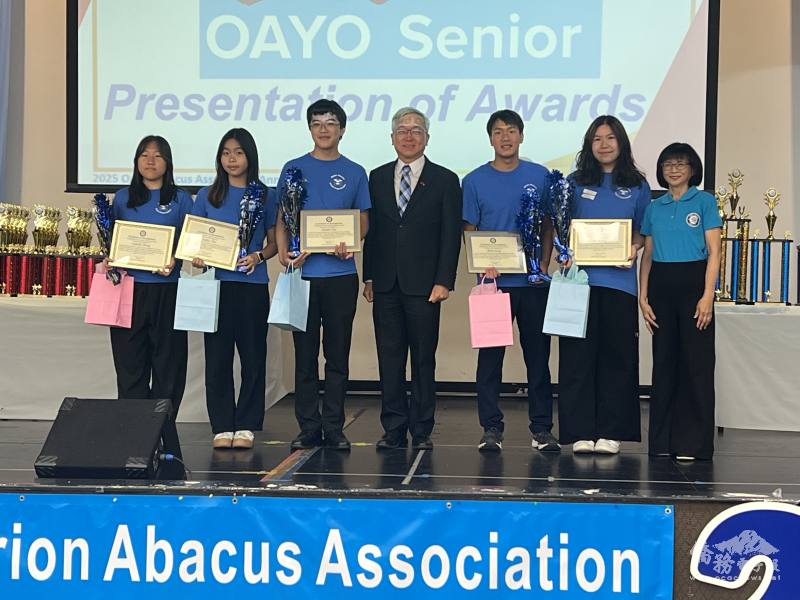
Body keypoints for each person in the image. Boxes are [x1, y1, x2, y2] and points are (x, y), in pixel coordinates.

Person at [362, 107, 462, 451]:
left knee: (422, 359)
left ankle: (421, 429)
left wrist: (444, 280)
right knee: (389, 358)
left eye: (416, 130)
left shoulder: (447, 180)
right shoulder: (375, 177)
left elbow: (450, 235)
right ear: (392, 139)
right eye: (402, 130)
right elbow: (372, 233)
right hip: (386, 283)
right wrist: (369, 276)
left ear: (427, 138)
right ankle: (393, 427)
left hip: (426, 286)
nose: (408, 136)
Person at [462, 109, 558, 453]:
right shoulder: (473, 180)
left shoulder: (540, 175)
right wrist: (480, 265)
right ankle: (491, 428)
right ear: (490, 139)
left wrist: (542, 265)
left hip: (533, 285)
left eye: (512, 131)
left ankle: (542, 429)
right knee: (490, 361)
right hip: (493, 285)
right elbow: (470, 230)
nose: (505, 137)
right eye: (499, 132)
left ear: (521, 136)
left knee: (538, 359)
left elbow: (549, 225)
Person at [276, 99, 370, 451]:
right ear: (310, 129)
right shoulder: (293, 168)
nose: (324, 129)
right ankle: (307, 427)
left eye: (331, 123)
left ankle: (334, 426)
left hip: (341, 274)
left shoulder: (355, 171)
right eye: (317, 123)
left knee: (337, 355)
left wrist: (351, 241)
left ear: (342, 129)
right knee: (304, 356)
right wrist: (284, 252)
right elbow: (283, 218)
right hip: (301, 277)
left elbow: (362, 221)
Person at [558, 115, 651, 455]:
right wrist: (564, 252)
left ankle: (611, 432)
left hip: (619, 285)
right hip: (577, 284)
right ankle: (580, 431)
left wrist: (634, 246)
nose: (604, 144)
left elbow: (643, 230)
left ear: (621, 142)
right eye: (597, 139)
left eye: (610, 137)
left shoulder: (638, 185)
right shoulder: (573, 182)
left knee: (617, 358)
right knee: (576, 359)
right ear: (589, 144)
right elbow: (561, 226)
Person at [191, 128, 277, 450]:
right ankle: (222, 424)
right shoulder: (207, 195)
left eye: (238, 152)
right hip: (216, 287)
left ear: (249, 156)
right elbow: (195, 242)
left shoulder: (266, 195)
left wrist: (258, 256)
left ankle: (246, 424)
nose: (232, 159)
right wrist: (196, 257)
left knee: (254, 357)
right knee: (217, 358)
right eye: (226, 152)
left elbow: (272, 243)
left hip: (252, 286)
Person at [109, 135, 193, 457]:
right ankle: (133, 439)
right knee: (130, 368)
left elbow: (191, 243)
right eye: (144, 155)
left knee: (169, 369)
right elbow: (111, 242)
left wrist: (178, 258)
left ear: (167, 162)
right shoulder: (121, 199)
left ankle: (163, 439)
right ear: (136, 161)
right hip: (129, 292)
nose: (150, 161)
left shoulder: (182, 200)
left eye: (157, 156)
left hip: (167, 291)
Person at [639, 143, 721, 461]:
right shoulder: (654, 206)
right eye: (667, 164)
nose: (673, 169)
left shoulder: (704, 202)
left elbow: (715, 252)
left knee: (695, 365)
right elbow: (647, 253)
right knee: (665, 363)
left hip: (693, 286)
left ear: (692, 168)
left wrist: (707, 297)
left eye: (680, 164)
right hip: (661, 286)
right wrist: (643, 296)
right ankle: (661, 442)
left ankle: (693, 443)